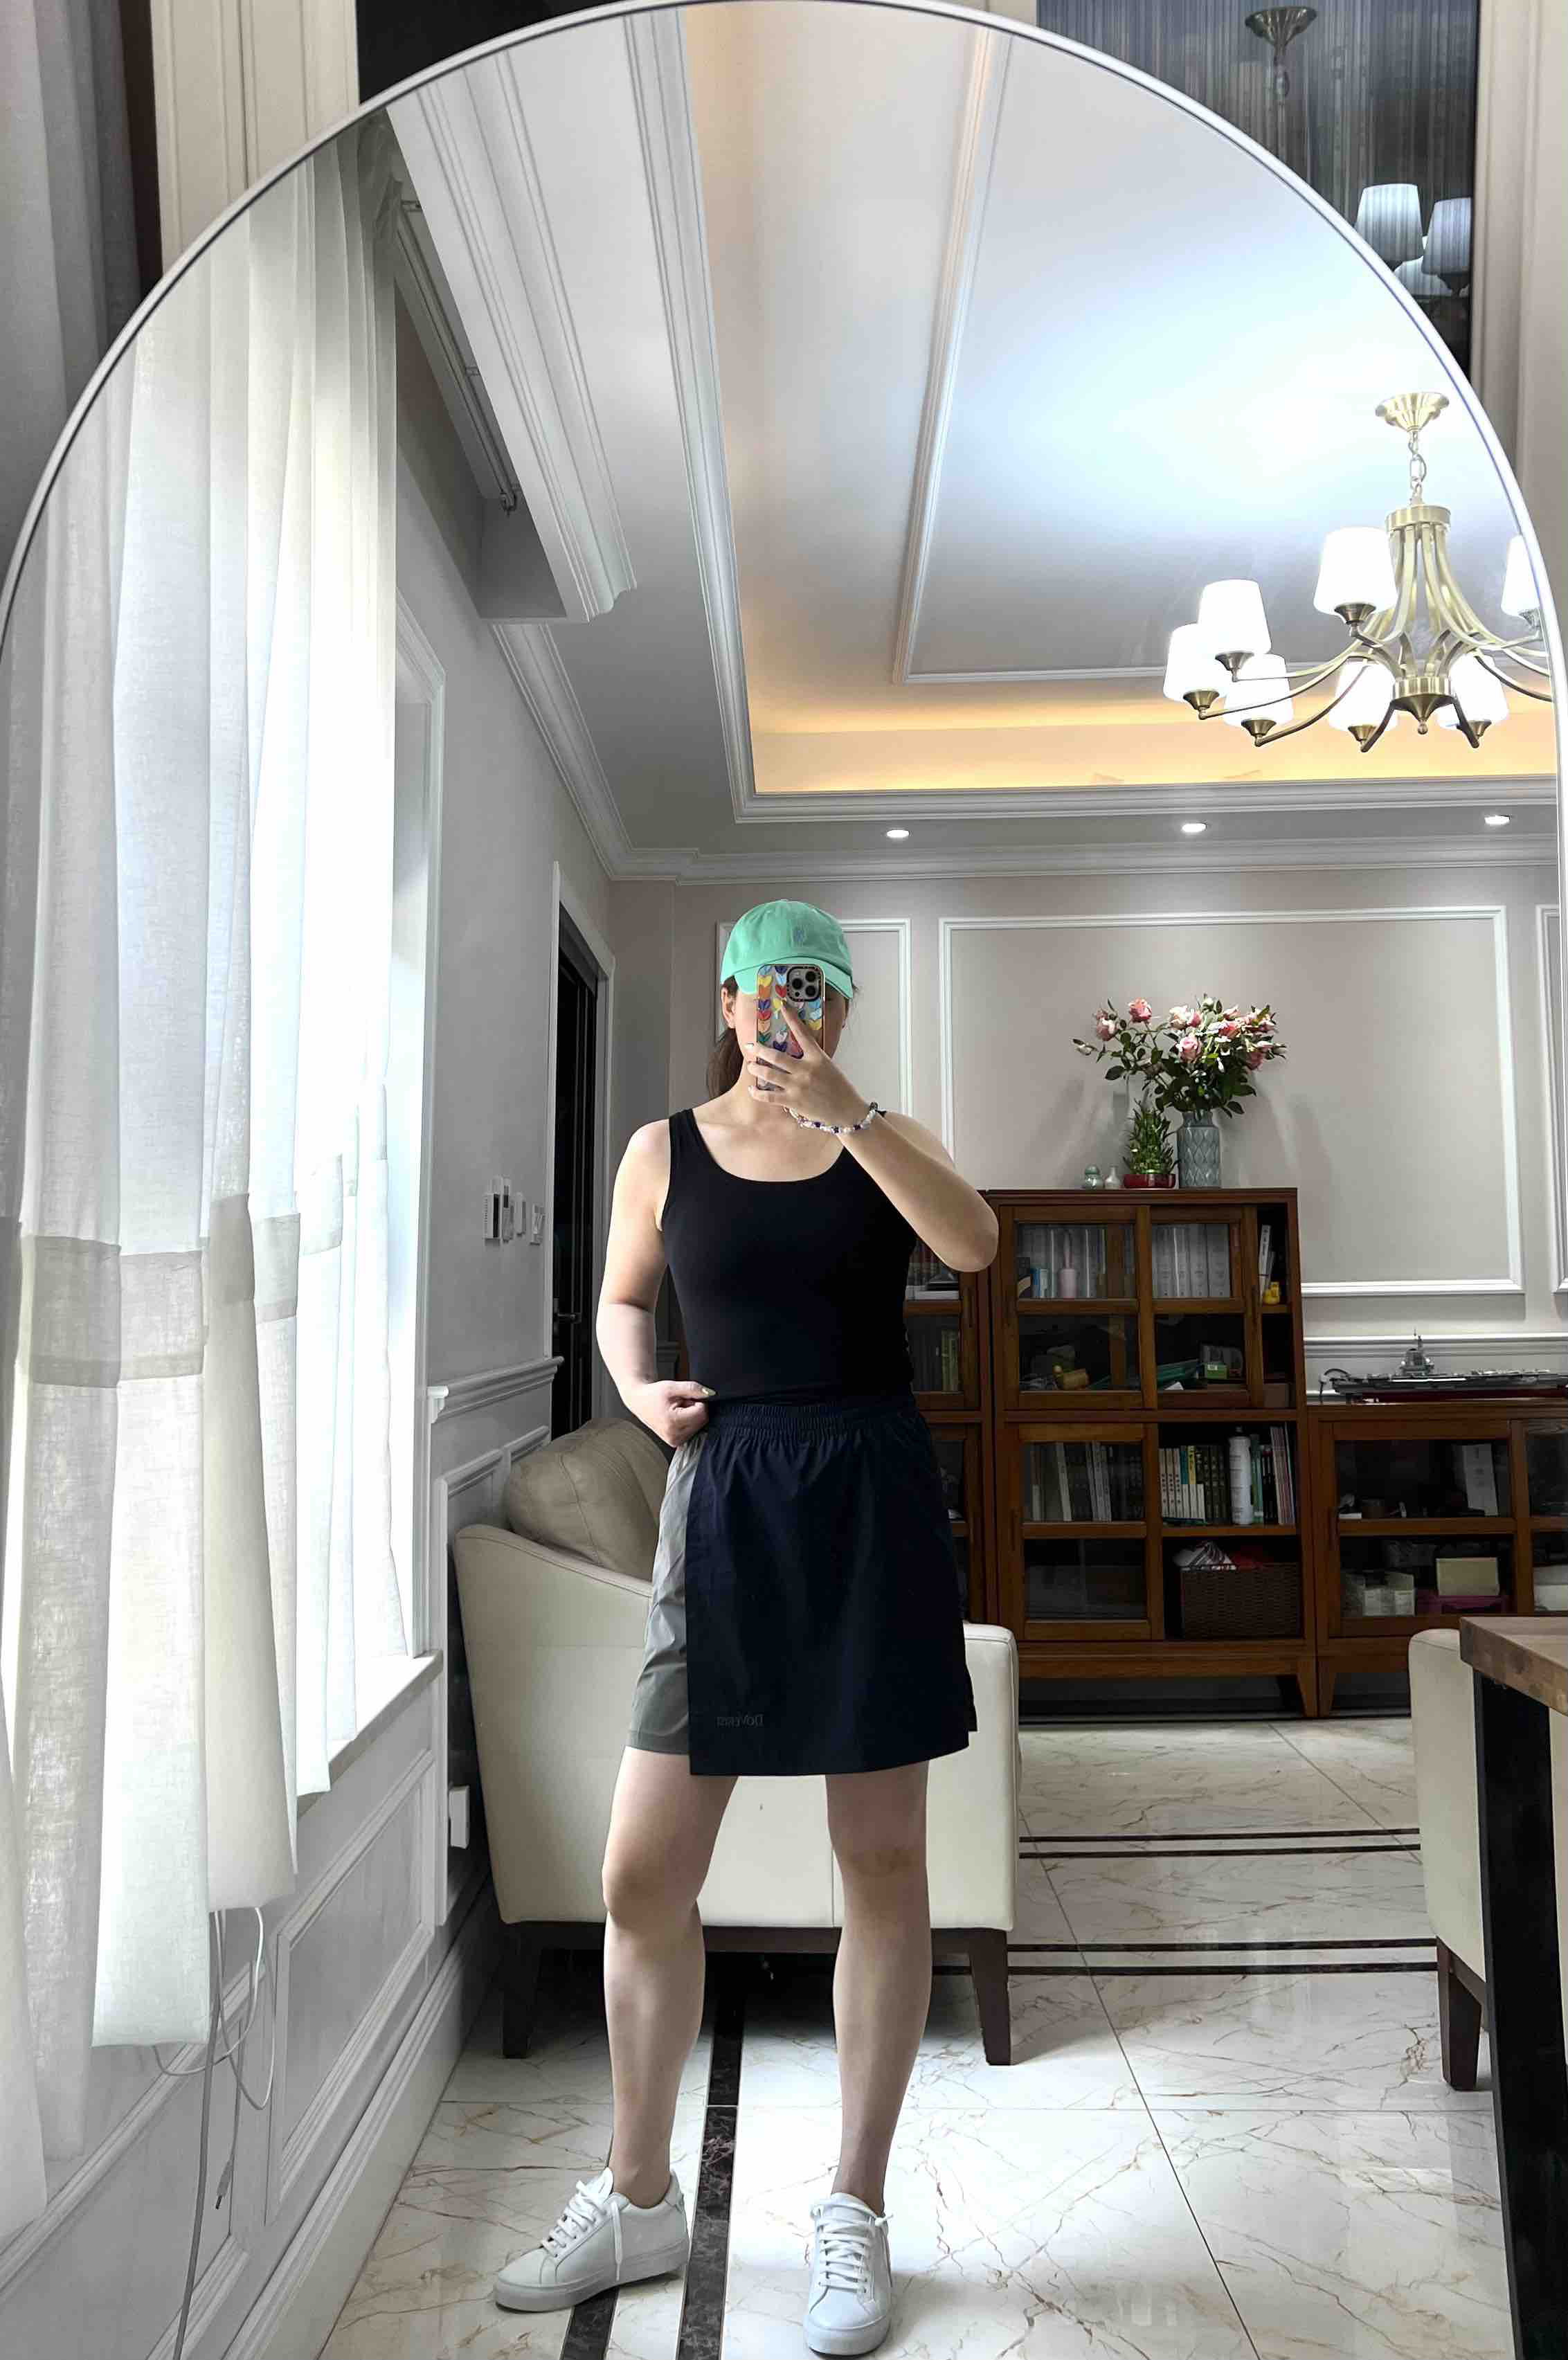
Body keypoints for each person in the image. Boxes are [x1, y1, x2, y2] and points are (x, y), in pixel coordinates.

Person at [493, 900, 998, 2352]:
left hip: (868, 1494)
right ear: (727, 1001)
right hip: (720, 1501)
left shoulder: (879, 1137)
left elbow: (971, 1245)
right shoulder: (661, 1150)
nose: (796, 1010)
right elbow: (619, 1297)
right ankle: (638, 2194)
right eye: (773, 987)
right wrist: (636, 1387)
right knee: (640, 1870)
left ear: (841, 1009)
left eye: (820, 990)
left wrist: (855, 1114)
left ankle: (855, 2206)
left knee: (882, 1862)